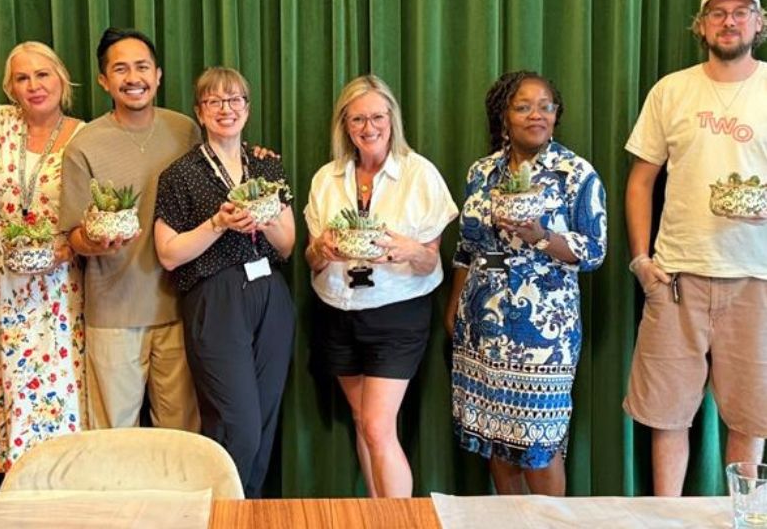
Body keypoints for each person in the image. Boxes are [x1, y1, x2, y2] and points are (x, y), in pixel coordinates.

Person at [623, 0, 767, 496]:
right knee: (667, 414)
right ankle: (667, 517)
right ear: (701, 26)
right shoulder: (672, 90)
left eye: (741, 12)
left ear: (758, 23)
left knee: (751, 415)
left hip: (756, 277)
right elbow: (641, 181)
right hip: (676, 276)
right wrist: (641, 259)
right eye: (717, 13)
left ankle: (743, 515)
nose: (729, 22)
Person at [444, 70, 607, 496]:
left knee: (539, 442)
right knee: (498, 439)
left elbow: (594, 251)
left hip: (543, 333)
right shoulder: (482, 172)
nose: (537, 115)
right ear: (504, 116)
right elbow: (466, 247)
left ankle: (550, 524)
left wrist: (542, 237)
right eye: (524, 107)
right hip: (482, 326)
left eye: (545, 106)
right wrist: (454, 306)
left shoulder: (574, 174)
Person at [304, 74, 457, 498]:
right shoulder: (326, 178)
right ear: (344, 125)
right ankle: (377, 514)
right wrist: (322, 250)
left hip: (397, 315)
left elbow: (431, 261)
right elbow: (311, 259)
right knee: (361, 421)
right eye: (357, 119)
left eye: (377, 117)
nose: (368, 127)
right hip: (337, 311)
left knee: (376, 425)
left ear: (392, 120)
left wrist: (408, 249)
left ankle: (400, 520)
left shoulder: (419, 174)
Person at [154, 67, 295, 498]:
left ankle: (247, 511)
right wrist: (218, 223)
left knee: (265, 422)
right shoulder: (179, 174)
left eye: (234, 100)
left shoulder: (267, 165)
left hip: (270, 294)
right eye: (214, 101)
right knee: (238, 426)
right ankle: (223, 511)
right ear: (199, 112)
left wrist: (265, 220)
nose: (225, 109)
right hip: (216, 297)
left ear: (247, 109)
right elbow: (168, 253)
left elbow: (288, 245)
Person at [59, 28, 200, 432]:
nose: (133, 78)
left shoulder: (186, 131)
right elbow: (73, 236)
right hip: (113, 313)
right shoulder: (84, 145)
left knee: (181, 435)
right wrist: (96, 242)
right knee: (114, 435)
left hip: (180, 307)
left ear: (158, 75)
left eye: (142, 67)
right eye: (120, 69)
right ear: (104, 81)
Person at [0, 42, 86, 475]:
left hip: (60, 284)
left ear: (61, 79)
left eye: (42, 74)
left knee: (58, 382)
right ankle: (11, 477)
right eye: (22, 78)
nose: (34, 85)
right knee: (9, 379)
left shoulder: (86, 135)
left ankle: (58, 481)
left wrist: (66, 248)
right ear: (10, 87)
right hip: (0, 282)